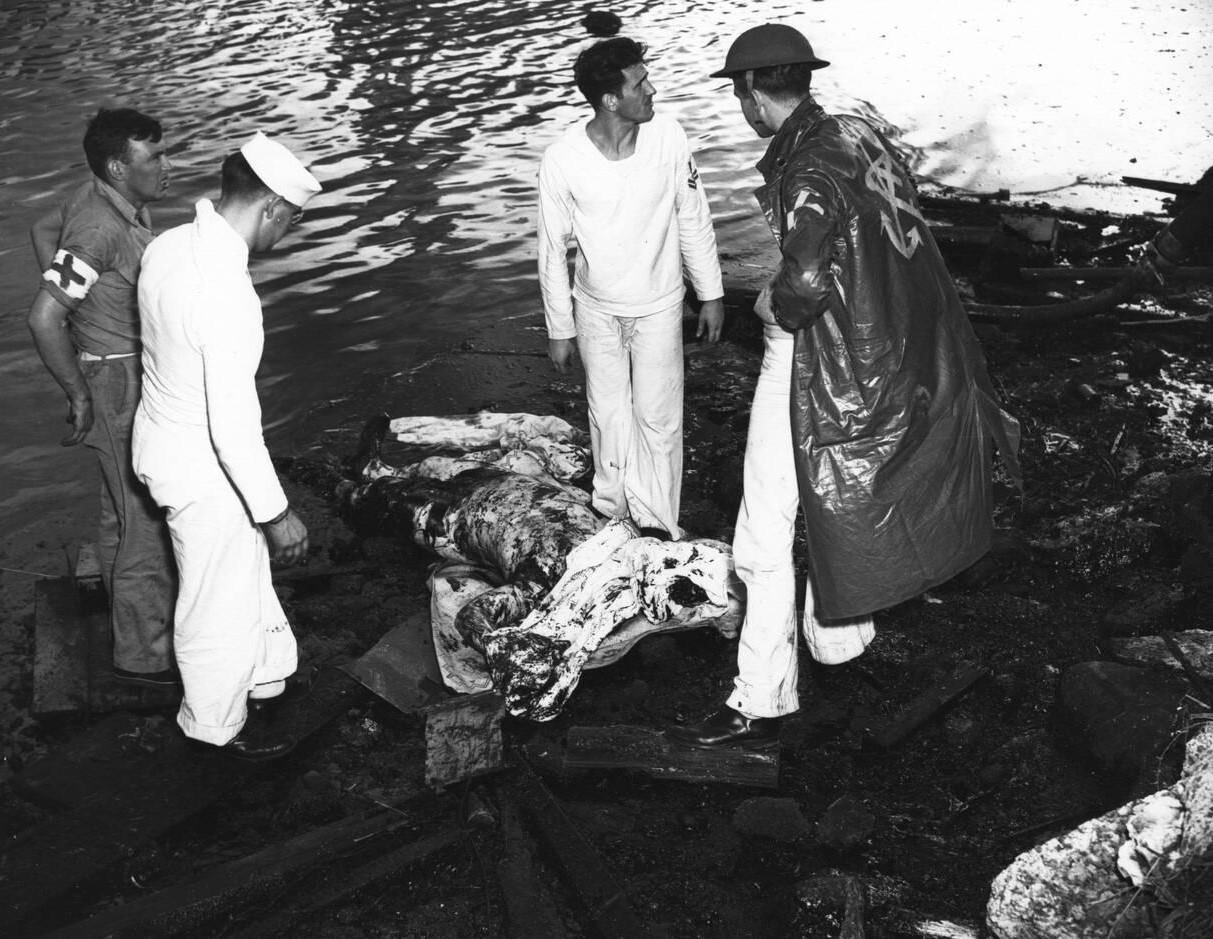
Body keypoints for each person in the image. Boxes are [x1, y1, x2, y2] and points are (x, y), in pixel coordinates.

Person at [669, 24, 1021, 748]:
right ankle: (839, 644)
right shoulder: (854, 132)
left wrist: (773, 303)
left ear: (747, 94)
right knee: (829, 499)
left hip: (816, 355)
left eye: (739, 92)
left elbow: (801, 277)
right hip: (882, 344)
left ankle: (759, 696)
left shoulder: (807, 169)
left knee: (762, 532)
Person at [132, 132, 319, 760]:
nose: (287, 231)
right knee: (214, 599)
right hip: (203, 469)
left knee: (241, 576)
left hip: (162, 438)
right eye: (291, 218)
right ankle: (212, 728)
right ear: (270, 207)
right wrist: (276, 514)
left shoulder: (167, 246)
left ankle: (265, 676)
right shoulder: (226, 294)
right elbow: (232, 428)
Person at [537, 36, 726, 540]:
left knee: (659, 418)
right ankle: (611, 510)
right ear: (610, 100)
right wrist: (559, 327)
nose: (653, 90)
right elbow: (552, 250)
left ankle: (660, 521)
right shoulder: (563, 158)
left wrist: (710, 293)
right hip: (595, 310)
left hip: (661, 304)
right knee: (608, 412)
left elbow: (693, 214)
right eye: (641, 84)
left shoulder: (669, 137)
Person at [27, 107, 178, 685]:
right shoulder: (99, 228)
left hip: (116, 368)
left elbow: (41, 231)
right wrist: (79, 391)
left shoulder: (101, 201)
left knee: (122, 508)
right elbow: (44, 319)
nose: (169, 164)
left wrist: (86, 313)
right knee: (144, 516)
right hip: (118, 380)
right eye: (156, 156)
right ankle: (144, 656)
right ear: (119, 167)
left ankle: (132, 626)